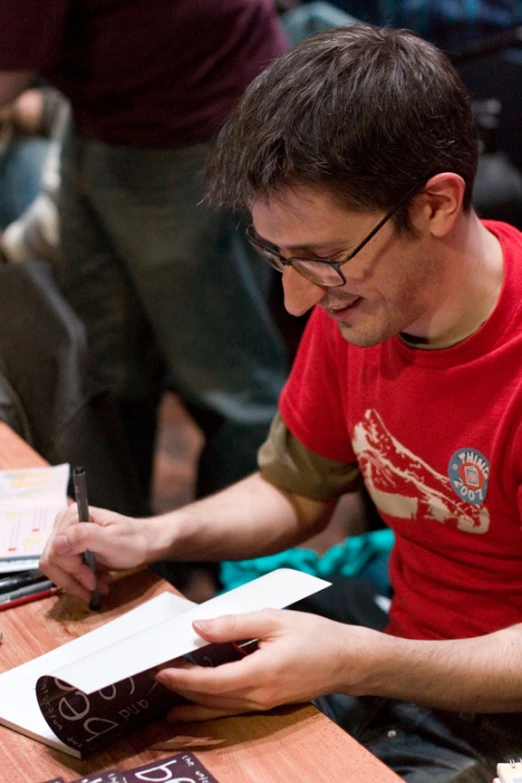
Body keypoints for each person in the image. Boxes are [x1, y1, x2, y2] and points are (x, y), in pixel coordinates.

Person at [40, 24, 522, 783]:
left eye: (322, 261)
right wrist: (157, 533)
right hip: (400, 643)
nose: (298, 301)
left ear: (435, 204)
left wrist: (363, 660)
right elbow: (296, 488)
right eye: (278, 256)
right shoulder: (367, 304)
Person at [0, 1, 289, 506]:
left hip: (190, 124)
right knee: (103, 365)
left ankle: (245, 572)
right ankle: (122, 545)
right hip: (105, 116)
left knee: (229, 384)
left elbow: (6, 73)